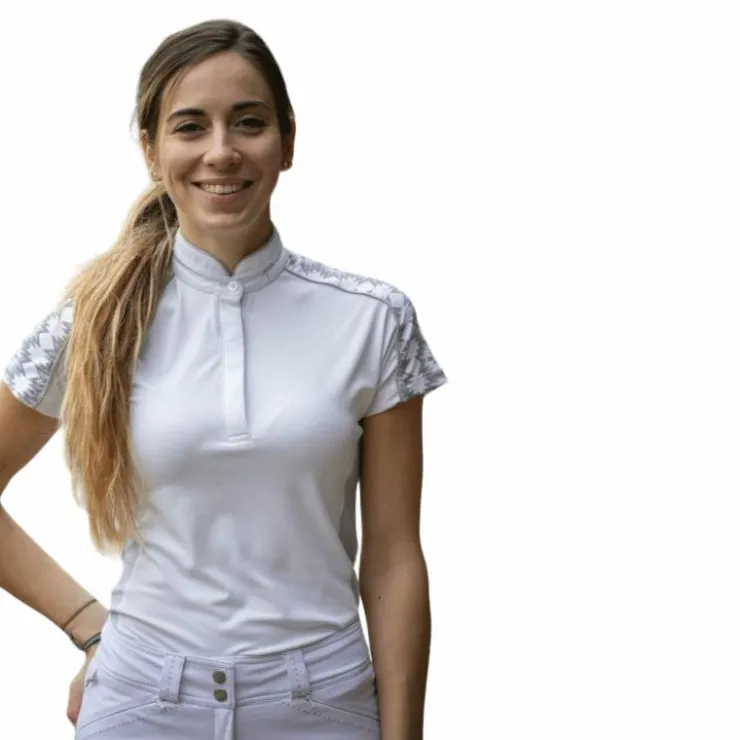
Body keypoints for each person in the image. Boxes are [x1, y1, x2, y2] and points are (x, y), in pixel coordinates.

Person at [0, 18, 446, 740]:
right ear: (151, 151)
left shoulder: (373, 321)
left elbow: (395, 557)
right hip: (142, 701)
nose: (221, 151)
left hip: (323, 703)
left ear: (288, 141)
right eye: (190, 126)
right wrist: (87, 624)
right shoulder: (93, 325)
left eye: (248, 122)